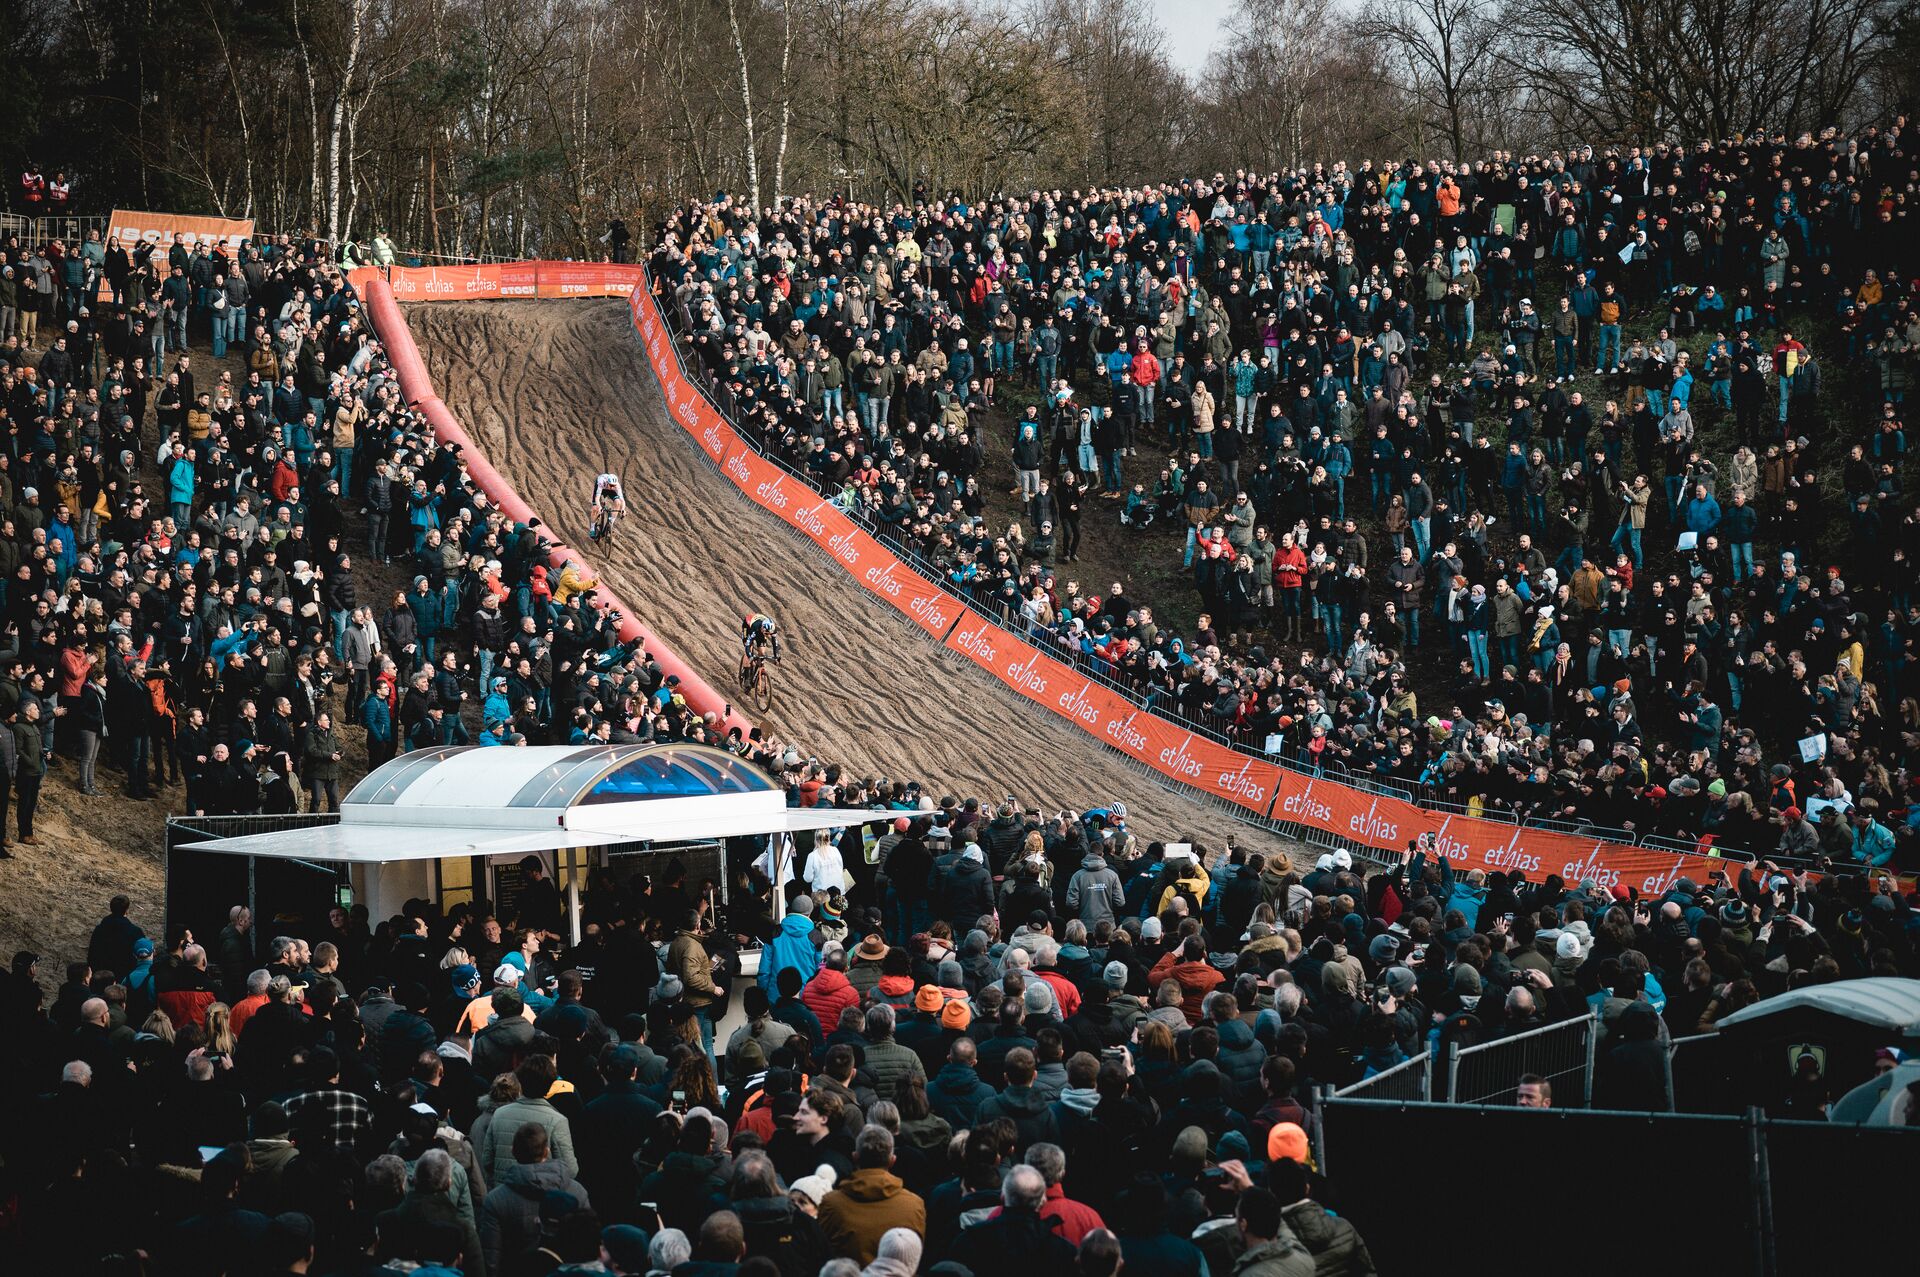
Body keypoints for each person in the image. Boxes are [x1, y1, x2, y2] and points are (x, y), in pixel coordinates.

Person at [590, 471, 626, 541]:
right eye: (611, 485)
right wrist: (599, 507)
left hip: (608, 489)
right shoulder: (601, 482)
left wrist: (623, 509)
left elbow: (622, 500)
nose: (613, 487)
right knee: (595, 508)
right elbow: (597, 498)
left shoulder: (616, 486)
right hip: (601, 488)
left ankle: (610, 524)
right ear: (608, 482)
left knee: (618, 502)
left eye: (614, 485)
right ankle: (592, 528)